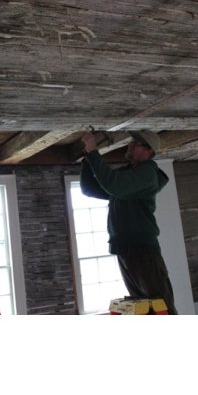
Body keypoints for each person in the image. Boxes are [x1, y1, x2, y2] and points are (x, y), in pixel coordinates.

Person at [79, 130, 178, 314]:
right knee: (143, 308)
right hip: (125, 250)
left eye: (136, 143)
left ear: (149, 151)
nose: (130, 145)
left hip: (142, 250)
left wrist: (93, 152)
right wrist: (87, 161)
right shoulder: (129, 175)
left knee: (161, 307)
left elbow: (113, 184)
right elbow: (90, 189)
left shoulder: (146, 173)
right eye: (132, 141)